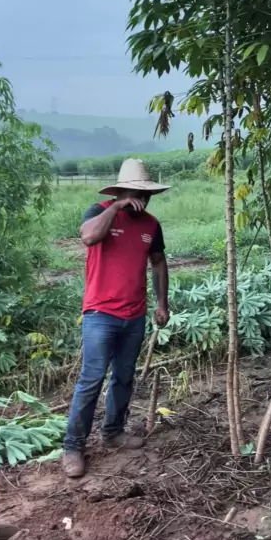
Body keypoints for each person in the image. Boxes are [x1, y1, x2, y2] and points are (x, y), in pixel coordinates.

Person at [62, 158, 170, 478]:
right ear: (121, 192)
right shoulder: (99, 212)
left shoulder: (151, 225)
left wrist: (162, 304)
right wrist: (117, 207)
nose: (142, 199)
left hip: (134, 315)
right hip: (100, 314)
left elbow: (159, 263)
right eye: (136, 193)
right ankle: (73, 446)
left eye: (146, 194)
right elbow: (89, 238)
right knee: (92, 379)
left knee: (124, 376)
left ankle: (113, 432)